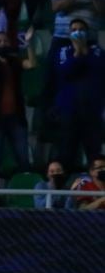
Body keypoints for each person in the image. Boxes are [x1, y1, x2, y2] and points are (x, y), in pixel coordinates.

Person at [0, 29, 35, 187]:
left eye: (5, 41)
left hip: (16, 117)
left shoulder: (14, 60)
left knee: (23, 158)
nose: (3, 43)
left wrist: (28, 44)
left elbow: (31, 64)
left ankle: (26, 191)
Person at [53, 19, 105, 171]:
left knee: (94, 156)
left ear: (87, 33)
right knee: (66, 154)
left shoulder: (97, 51)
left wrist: (84, 51)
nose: (78, 32)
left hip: (92, 112)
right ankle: (62, 192)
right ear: (69, 34)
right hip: (69, 111)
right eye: (74, 29)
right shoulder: (63, 51)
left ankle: (98, 191)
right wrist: (77, 53)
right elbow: (64, 71)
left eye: (81, 29)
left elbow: (98, 68)